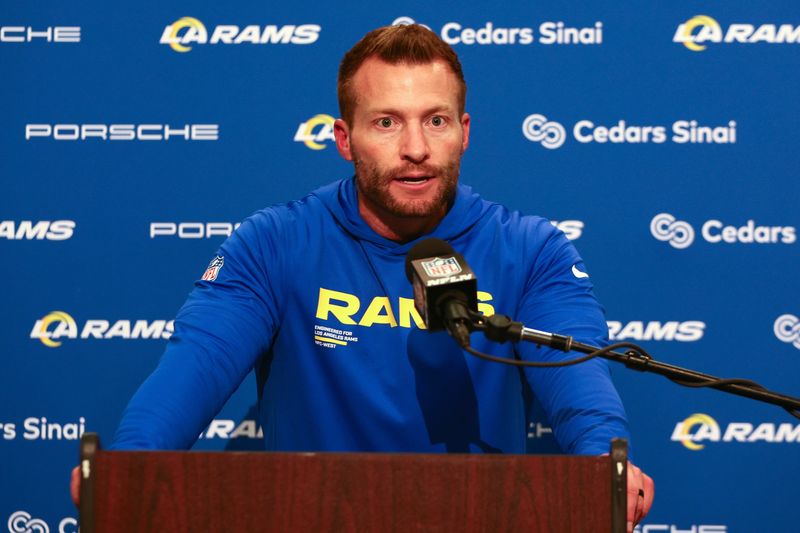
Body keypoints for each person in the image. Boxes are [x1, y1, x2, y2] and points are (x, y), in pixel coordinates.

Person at [72, 24, 654, 530]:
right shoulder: (275, 243)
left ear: (465, 132)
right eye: (386, 123)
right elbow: (193, 366)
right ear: (344, 140)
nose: (416, 148)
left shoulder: (532, 251)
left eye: (436, 120)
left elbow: (582, 391)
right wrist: (130, 471)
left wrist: (609, 466)